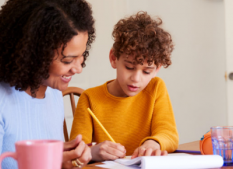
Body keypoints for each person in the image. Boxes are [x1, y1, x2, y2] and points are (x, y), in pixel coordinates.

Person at [0, 0, 95, 169]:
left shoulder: (53, 92)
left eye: (82, 56)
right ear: (34, 54)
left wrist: (62, 158)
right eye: (67, 60)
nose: (78, 68)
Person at [70, 11, 178, 161]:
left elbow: (169, 134)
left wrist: (154, 143)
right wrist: (94, 151)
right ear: (114, 58)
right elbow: (75, 151)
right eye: (129, 67)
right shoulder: (90, 98)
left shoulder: (156, 88)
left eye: (147, 71)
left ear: (157, 69)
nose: (136, 78)